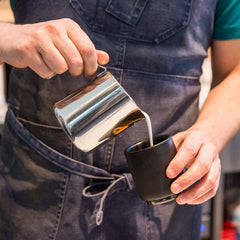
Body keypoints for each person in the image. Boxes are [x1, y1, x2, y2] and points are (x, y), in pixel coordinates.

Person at [0, 0, 240, 239]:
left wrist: (208, 134)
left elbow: (235, 70)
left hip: (167, 199)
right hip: (36, 192)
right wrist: (7, 36)